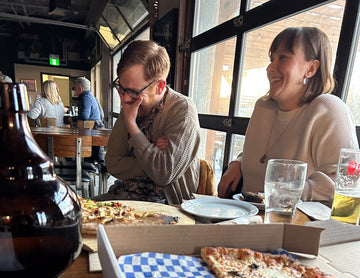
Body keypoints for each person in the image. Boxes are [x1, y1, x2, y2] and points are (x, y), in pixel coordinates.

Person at [218, 27, 359, 204]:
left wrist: (282, 194)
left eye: (283, 57)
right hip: (245, 219)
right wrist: (238, 162)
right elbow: (262, 154)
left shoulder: (326, 108)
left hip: (293, 225)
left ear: (311, 68)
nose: (269, 68)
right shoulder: (263, 107)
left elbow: (348, 180)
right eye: (272, 59)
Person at [104, 40, 201, 204]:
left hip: (168, 207)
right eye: (121, 88)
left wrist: (132, 126)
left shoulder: (183, 111)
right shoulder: (130, 103)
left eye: (134, 92)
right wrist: (151, 156)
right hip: (125, 196)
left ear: (160, 87)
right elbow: (112, 163)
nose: (125, 98)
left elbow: (163, 174)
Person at [72, 76, 106, 169]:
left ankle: (82, 170)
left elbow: (84, 116)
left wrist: (72, 119)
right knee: (97, 157)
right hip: (97, 130)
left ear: (80, 88)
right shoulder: (92, 97)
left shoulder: (85, 98)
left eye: (75, 87)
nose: (75, 90)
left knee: (78, 147)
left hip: (92, 131)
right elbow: (102, 115)